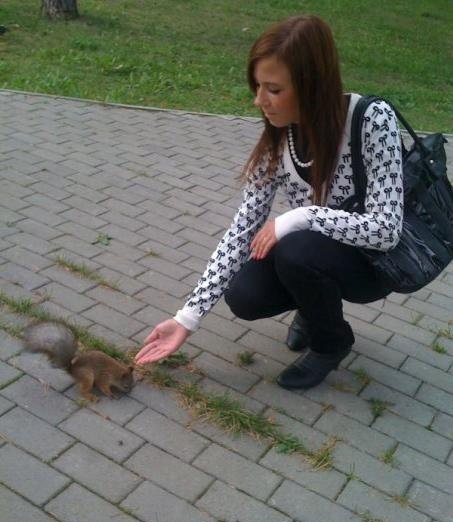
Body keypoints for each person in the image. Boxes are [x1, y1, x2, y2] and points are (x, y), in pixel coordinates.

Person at [135, 14, 403, 389]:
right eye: (258, 86)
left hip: (372, 264)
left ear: (312, 85)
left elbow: (387, 230)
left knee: (295, 247)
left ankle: (331, 343)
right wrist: (186, 318)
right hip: (314, 254)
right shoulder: (279, 139)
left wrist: (298, 217)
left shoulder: (371, 119)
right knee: (244, 295)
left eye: (273, 89)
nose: (259, 100)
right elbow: (242, 230)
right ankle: (314, 305)